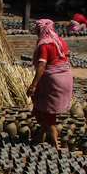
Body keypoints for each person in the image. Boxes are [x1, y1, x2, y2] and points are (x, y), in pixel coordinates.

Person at [27, 19, 73, 149]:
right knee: (43, 109)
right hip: (66, 77)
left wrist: (33, 85)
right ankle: (42, 134)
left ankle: (55, 146)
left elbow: (42, 65)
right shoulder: (60, 41)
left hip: (53, 80)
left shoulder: (44, 44)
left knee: (47, 112)